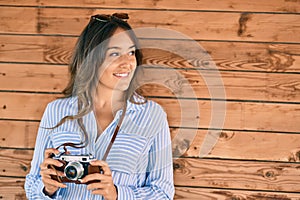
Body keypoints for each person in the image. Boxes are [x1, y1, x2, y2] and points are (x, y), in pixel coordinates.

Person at [25, 13, 175, 199]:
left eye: (131, 52)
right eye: (114, 54)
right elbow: (32, 186)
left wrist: (117, 193)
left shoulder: (152, 115)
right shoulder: (56, 111)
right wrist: (46, 187)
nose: (127, 63)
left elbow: (163, 193)